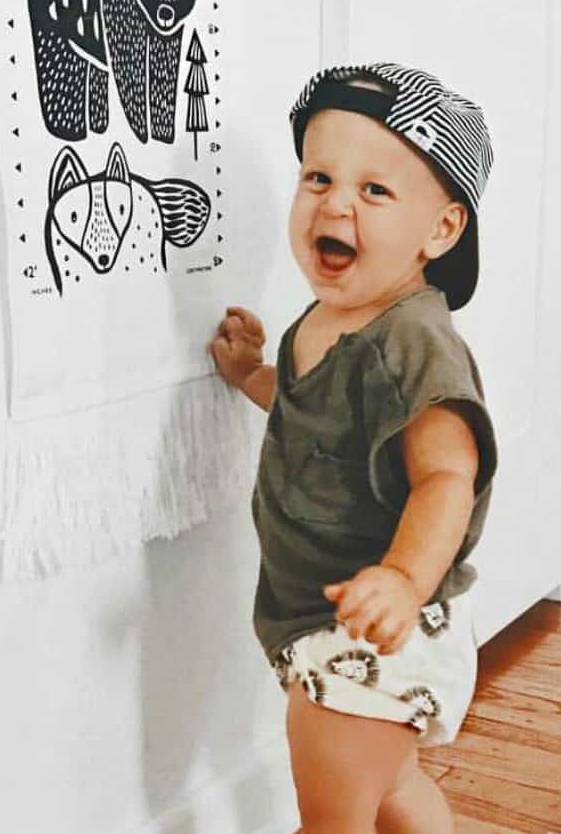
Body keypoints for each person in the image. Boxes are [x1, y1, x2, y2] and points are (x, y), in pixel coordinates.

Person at [209, 62, 498, 833]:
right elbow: (316, 413)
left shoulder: (414, 343)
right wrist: (251, 377)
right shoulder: (330, 315)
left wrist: (403, 578)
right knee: (394, 789)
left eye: (375, 190)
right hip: (330, 620)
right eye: (319, 177)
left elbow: (446, 475)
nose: (337, 202)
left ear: (440, 229)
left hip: (380, 628)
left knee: (331, 818)